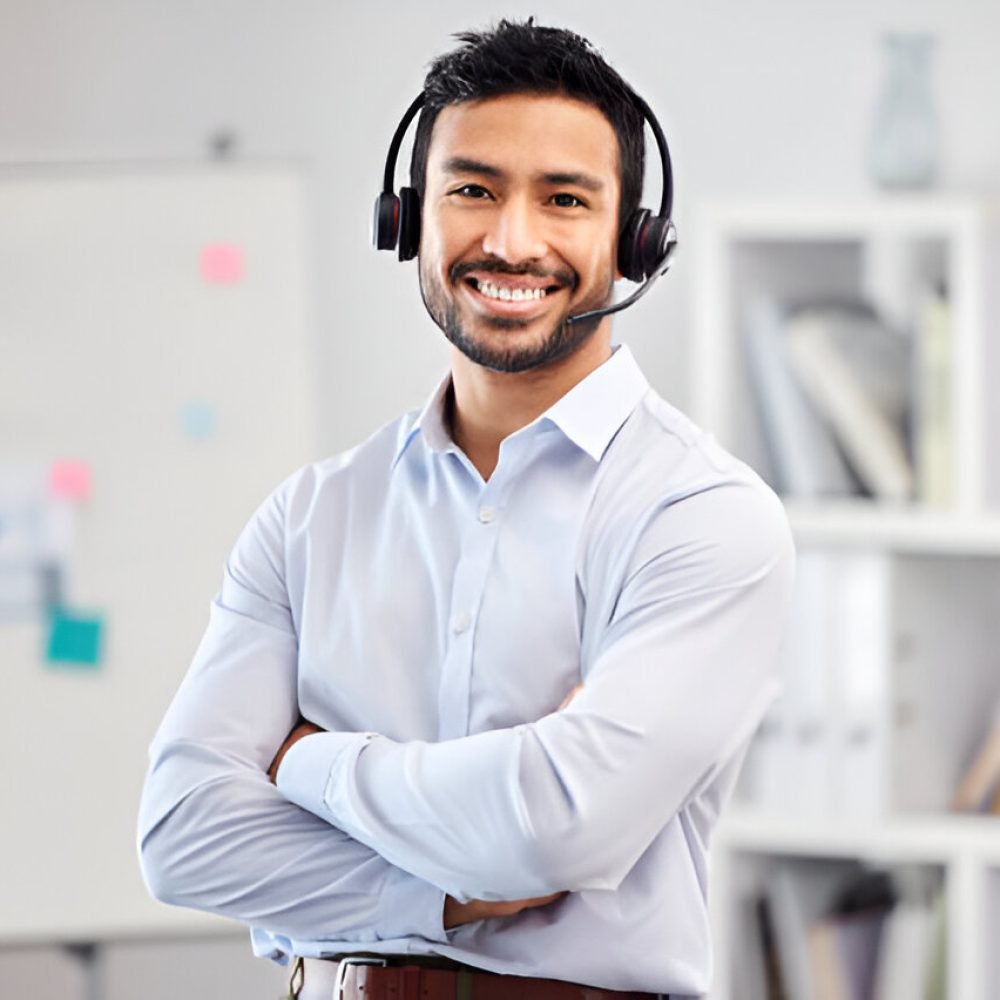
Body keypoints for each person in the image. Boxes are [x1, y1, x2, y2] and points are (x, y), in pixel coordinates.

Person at [138, 19, 794, 1000]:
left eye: (563, 199)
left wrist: (309, 762)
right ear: (406, 218)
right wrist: (445, 888)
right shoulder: (312, 515)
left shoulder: (698, 517)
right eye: (472, 190)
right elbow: (182, 835)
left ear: (632, 240)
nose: (511, 240)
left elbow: (550, 827)